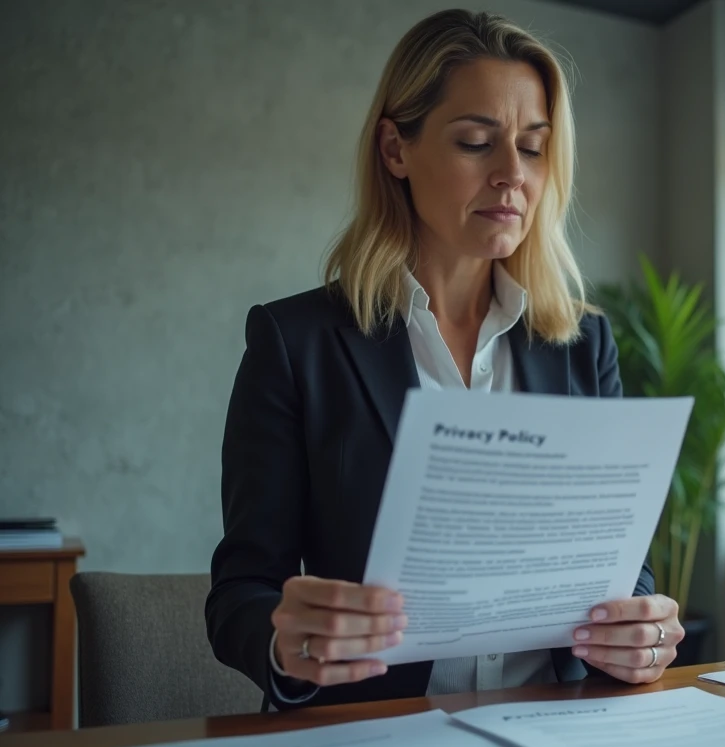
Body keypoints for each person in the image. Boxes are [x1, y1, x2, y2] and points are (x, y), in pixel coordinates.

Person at [206, 8, 684, 710]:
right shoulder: (295, 342)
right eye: (475, 143)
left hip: (558, 732)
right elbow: (241, 593)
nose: (510, 176)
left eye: (532, 147)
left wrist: (637, 628)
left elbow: (618, 571)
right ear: (396, 150)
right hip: (369, 742)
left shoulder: (587, 346)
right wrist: (288, 643)